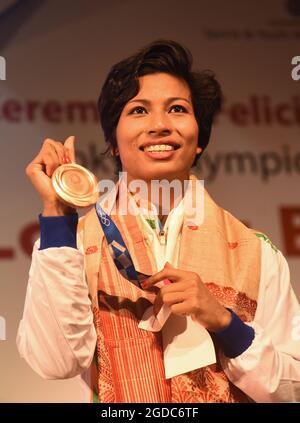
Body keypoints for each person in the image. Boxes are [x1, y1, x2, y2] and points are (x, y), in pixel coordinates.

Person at [17, 39, 300, 403]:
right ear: (114, 142)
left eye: (178, 109)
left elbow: (293, 389)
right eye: (138, 111)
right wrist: (57, 214)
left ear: (199, 139)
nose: (160, 125)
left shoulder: (254, 252)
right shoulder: (72, 244)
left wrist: (228, 326)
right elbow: (55, 363)